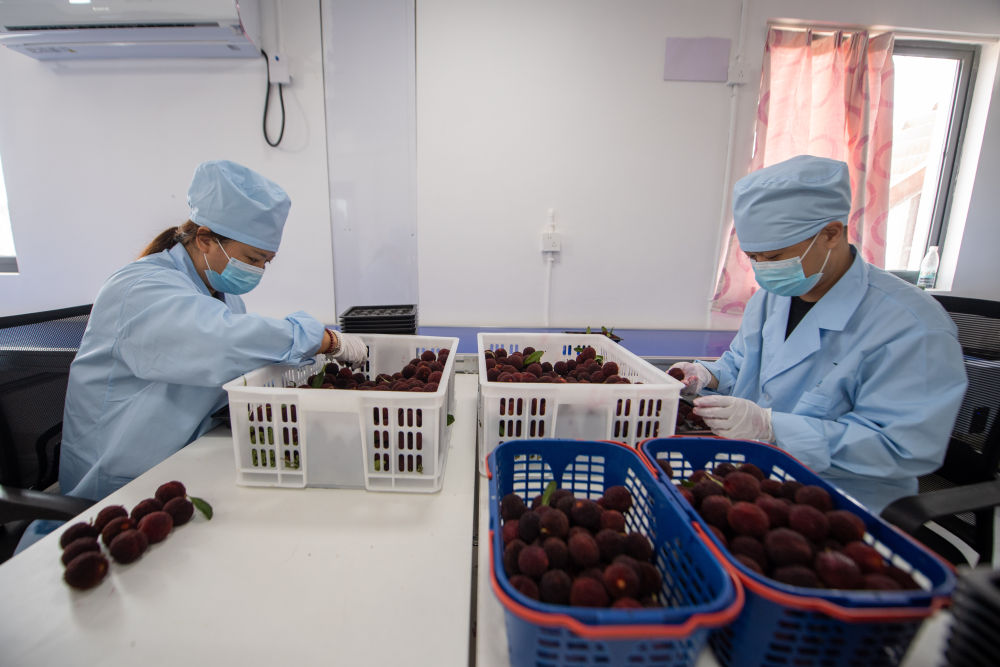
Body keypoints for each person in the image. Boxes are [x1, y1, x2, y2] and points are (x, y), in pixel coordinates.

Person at [57, 159, 368, 502]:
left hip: (187, 455)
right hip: (119, 483)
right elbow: (221, 343)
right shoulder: (140, 289)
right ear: (205, 239)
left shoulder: (222, 294)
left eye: (266, 262)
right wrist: (322, 339)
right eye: (252, 259)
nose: (259, 270)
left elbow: (242, 361)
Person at [671, 155, 967, 514]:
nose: (763, 269)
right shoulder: (772, 297)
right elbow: (744, 362)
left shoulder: (912, 326)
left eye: (774, 257)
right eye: (753, 257)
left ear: (831, 233)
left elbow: (901, 447)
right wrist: (709, 375)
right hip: (750, 478)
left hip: (841, 503)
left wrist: (773, 427)